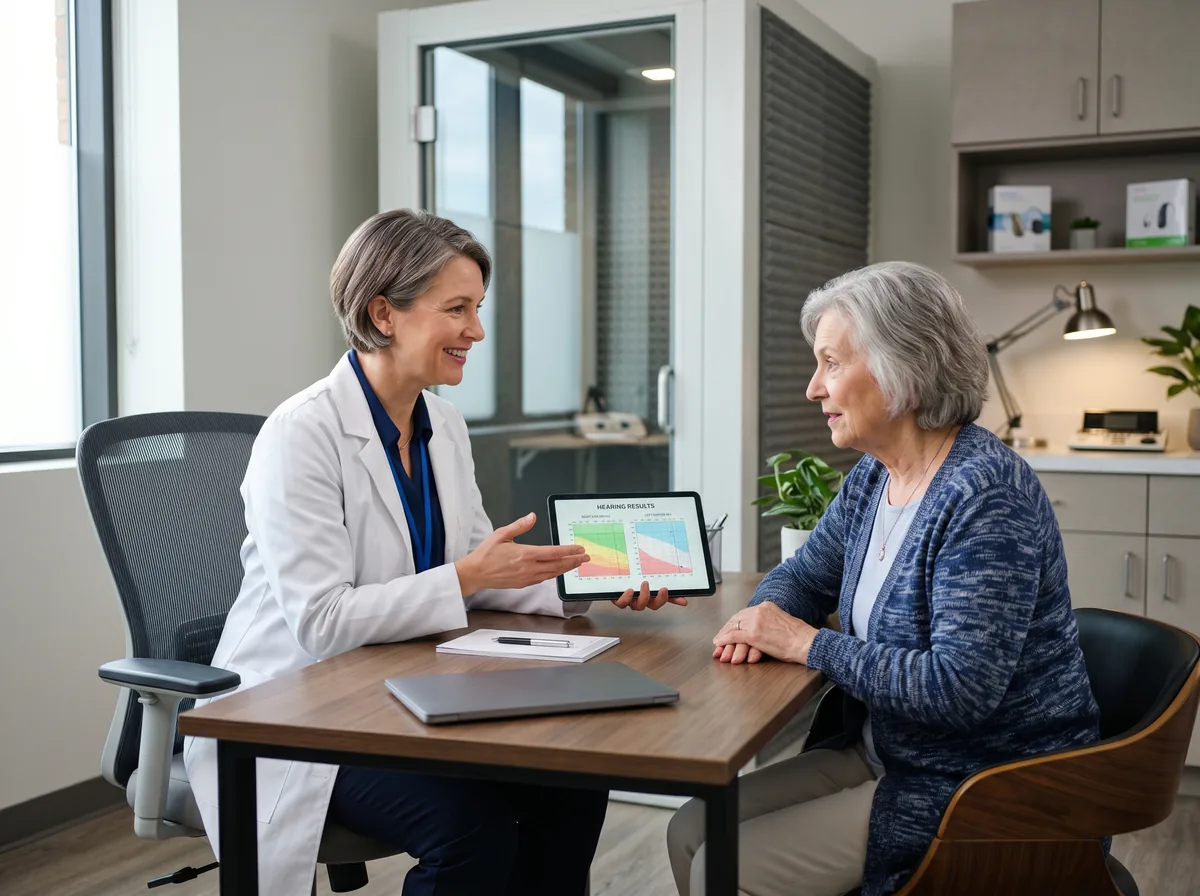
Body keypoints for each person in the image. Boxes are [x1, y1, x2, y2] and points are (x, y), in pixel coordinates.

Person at [183, 209, 685, 896]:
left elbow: (478, 573)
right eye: (457, 309)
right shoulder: (300, 435)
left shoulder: (441, 424)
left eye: (477, 308)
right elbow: (321, 622)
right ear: (383, 312)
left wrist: (589, 580)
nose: (476, 331)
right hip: (301, 713)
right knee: (469, 830)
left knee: (571, 785)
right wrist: (467, 575)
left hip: (404, 689)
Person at [666, 261, 1102, 896]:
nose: (813, 388)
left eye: (831, 363)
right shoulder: (875, 477)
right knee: (689, 828)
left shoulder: (983, 495)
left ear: (906, 369)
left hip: (981, 781)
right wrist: (760, 623)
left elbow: (959, 690)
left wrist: (805, 643)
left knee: (721, 867)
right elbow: (803, 578)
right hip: (890, 752)